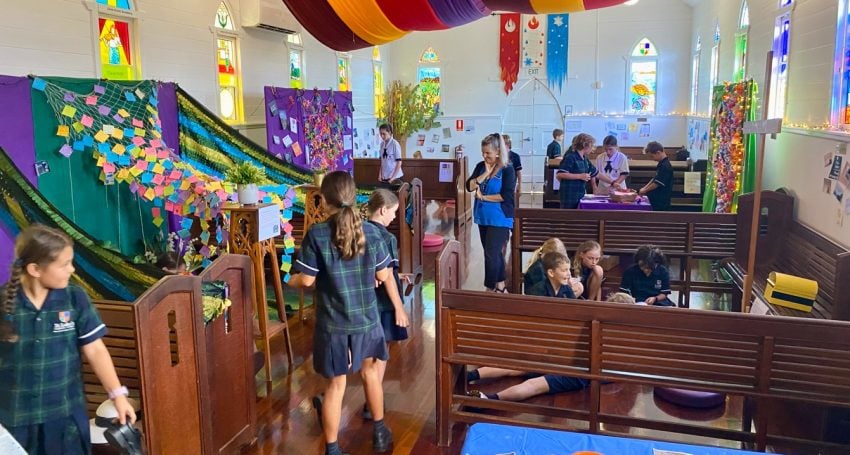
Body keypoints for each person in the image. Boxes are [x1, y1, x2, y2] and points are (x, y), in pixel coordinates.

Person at [288, 171, 400, 454]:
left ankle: (333, 449)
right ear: (354, 196)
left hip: (334, 324)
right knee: (371, 373)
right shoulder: (372, 232)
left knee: (336, 386)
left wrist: (291, 279)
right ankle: (379, 433)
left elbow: (307, 281)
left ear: (324, 200)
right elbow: (384, 273)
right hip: (367, 321)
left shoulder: (317, 234)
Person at [0, 225, 136, 453]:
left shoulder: (75, 298)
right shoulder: (4, 302)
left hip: (64, 417)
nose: (71, 270)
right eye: (64, 264)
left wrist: (118, 396)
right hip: (14, 419)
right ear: (35, 269)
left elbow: (96, 350)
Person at [467, 291, 638, 402]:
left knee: (517, 368)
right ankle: (491, 398)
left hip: (568, 362)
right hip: (581, 372)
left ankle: (471, 377)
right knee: (534, 383)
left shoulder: (597, 324)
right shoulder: (628, 341)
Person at [364, 189, 411, 420]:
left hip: (360, 301)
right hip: (383, 303)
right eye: (393, 212)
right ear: (383, 210)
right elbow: (387, 275)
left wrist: (397, 274)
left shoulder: (357, 229)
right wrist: (399, 308)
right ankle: (374, 399)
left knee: (364, 352)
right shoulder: (386, 238)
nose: (394, 217)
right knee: (381, 352)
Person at [465, 133, 516, 293]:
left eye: (488, 153)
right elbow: (469, 186)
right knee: (492, 252)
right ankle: (501, 285)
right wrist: (485, 174)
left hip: (500, 217)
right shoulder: (481, 166)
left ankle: (489, 288)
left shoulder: (508, 169)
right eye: (483, 152)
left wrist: (484, 197)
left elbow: (506, 196)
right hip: (483, 217)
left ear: (498, 152)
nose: (484, 155)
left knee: (491, 254)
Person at [556, 133, 613, 209]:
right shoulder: (571, 157)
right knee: (569, 217)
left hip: (579, 194)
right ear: (585, 145)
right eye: (591, 146)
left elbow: (597, 174)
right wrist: (579, 176)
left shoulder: (584, 159)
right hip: (569, 195)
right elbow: (560, 174)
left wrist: (613, 182)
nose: (592, 149)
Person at [638, 141, 673, 211]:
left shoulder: (665, 166)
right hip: (656, 200)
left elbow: (656, 184)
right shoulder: (661, 163)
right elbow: (654, 179)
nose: (652, 159)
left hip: (661, 201)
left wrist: (645, 190)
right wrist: (644, 188)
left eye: (652, 156)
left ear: (658, 153)